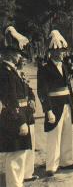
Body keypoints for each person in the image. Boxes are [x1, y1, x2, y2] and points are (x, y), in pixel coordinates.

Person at [37, 30, 73, 177]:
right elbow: (42, 91)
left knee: (67, 134)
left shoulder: (65, 66)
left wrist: (72, 105)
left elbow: (69, 87)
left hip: (67, 104)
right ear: (50, 52)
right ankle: (51, 166)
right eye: (55, 51)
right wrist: (47, 110)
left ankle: (66, 161)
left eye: (61, 51)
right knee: (54, 136)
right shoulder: (44, 68)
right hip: (54, 105)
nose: (59, 54)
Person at [0, 26, 32, 187]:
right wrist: (20, 120)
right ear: (10, 54)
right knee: (15, 156)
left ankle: (17, 184)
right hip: (13, 117)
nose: (20, 56)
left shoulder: (10, 70)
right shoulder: (5, 72)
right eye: (18, 53)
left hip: (17, 115)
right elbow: (9, 99)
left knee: (19, 154)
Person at [22, 71, 39, 182]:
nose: (22, 59)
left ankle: (27, 173)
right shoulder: (4, 72)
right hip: (16, 115)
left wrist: (32, 99)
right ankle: (18, 178)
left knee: (30, 144)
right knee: (19, 150)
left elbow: (29, 91)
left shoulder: (20, 74)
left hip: (27, 114)